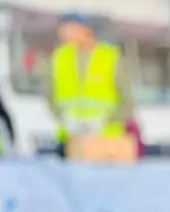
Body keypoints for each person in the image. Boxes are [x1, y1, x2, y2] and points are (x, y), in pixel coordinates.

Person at [42, 13, 134, 157]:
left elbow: (128, 100)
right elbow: (50, 95)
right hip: (71, 138)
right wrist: (63, 118)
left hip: (107, 140)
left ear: (86, 30)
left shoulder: (110, 57)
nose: (63, 34)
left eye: (69, 29)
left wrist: (106, 122)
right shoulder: (59, 57)